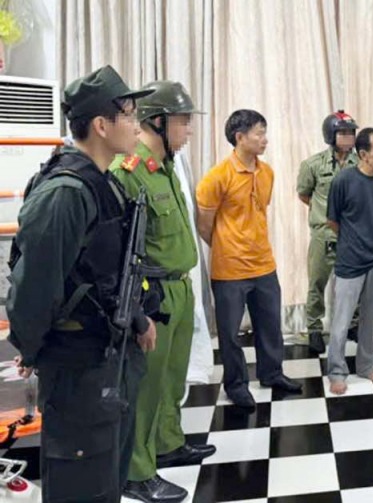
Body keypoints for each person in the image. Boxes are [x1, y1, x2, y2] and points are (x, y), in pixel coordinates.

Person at [6, 65, 157, 502]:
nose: (136, 125)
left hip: (108, 360)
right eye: (128, 114)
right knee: (80, 483)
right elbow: (34, 288)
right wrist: (32, 348)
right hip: (77, 371)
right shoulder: (65, 193)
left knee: (106, 479)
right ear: (101, 125)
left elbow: (106, 271)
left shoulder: (105, 184)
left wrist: (139, 318)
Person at [110, 80, 214, 502]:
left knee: (171, 377)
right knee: (147, 386)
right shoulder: (129, 171)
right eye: (183, 122)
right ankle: (137, 471)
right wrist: (137, 310)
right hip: (153, 292)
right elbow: (119, 250)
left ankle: (168, 443)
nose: (188, 130)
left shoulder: (167, 168)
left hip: (180, 288)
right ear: (158, 121)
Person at [196, 109, 301, 409]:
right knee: (229, 334)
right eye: (259, 133)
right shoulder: (217, 177)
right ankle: (236, 385)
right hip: (229, 269)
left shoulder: (267, 173)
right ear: (240, 137)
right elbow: (204, 224)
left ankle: (271, 373)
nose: (264, 139)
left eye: (264, 132)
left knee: (270, 324)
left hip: (264, 264)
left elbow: (258, 211)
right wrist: (227, 246)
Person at [326, 127, 373, 395]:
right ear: (364, 155)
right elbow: (333, 221)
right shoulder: (343, 180)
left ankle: (366, 366)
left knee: (371, 316)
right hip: (350, 259)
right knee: (342, 319)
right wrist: (354, 241)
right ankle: (336, 372)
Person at [297, 111, 360, 353]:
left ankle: (353, 324)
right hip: (324, 236)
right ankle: (314, 328)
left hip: (352, 235)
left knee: (353, 282)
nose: (349, 137)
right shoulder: (313, 165)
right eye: (343, 132)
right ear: (331, 135)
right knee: (317, 283)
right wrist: (324, 216)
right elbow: (305, 195)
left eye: (351, 132)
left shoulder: (361, 164)